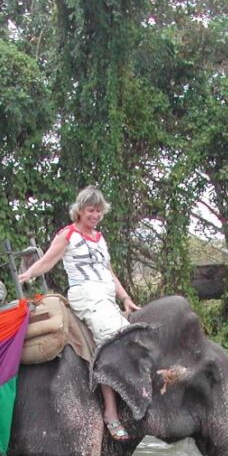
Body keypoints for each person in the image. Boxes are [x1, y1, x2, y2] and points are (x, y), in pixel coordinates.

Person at [18, 186, 140, 440]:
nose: (94, 215)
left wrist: (125, 298)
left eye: (98, 211)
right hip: (85, 293)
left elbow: (109, 272)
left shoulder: (100, 237)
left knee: (131, 337)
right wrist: (29, 274)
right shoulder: (68, 234)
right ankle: (110, 412)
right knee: (110, 339)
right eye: (90, 210)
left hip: (106, 297)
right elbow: (49, 260)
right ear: (80, 211)